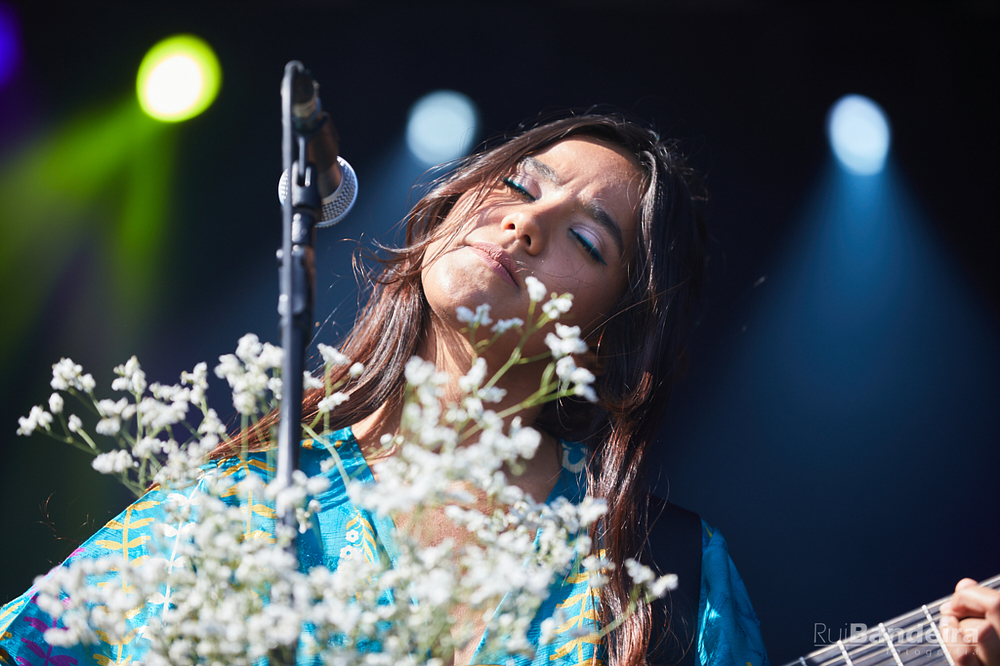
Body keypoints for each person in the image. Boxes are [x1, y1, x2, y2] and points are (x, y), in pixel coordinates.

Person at [0, 113, 770, 665]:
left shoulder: (666, 571)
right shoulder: (250, 502)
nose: (525, 222)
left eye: (586, 238)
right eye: (516, 183)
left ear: (609, 341)